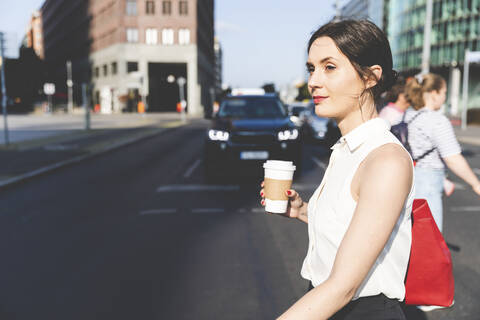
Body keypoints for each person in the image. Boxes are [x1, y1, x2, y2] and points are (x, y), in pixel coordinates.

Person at [260, 20, 414, 319]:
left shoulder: (385, 160)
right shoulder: (346, 149)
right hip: (327, 304)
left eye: (329, 67)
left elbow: (343, 286)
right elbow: (353, 224)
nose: (314, 81)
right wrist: (303, 210)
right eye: (312, 68)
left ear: (370, 77)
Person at [403, 73, 480, 233]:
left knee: (411, 235)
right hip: (427, 184)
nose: (444, 97)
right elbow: (453, 158)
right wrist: (475, 183)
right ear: (434, 94)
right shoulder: (437, 121)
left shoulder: (408, 115)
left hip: (407, 179)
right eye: (444, 93)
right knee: (429, 237)